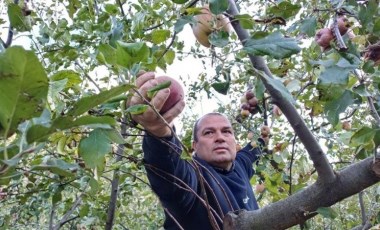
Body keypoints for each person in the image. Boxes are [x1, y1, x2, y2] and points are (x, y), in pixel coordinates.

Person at [129, 72, 264, 230]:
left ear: (234, 142)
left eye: (226, 131)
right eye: (209, 133)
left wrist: (264, 133)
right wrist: (159, 132)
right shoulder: (194, 175)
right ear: (194, 145)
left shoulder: (240, 165)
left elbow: (254, 150)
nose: (220, 137)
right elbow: (171, 172)